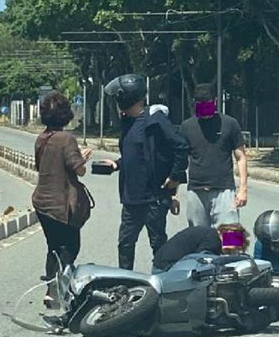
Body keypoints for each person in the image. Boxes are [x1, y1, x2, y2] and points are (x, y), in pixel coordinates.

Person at [101, 74, 189, 271]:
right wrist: (117, 164)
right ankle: (125, 283)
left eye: (119, 96)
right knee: (125, 243)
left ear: (127, 97)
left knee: (158, 245)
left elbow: (181, 147)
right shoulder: (128, 122)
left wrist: (175, 177)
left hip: (154, 198)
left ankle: (161, 284)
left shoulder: (155, 120)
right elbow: (138, 155)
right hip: (131, 199)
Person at [32, 91, 93, 307]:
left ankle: (51, 289)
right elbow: (79, 170)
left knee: (53, 247)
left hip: (41, 202)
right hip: (61, 204)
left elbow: (40, 167)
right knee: (70, 247)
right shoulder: (67, 139)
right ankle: (60, 288)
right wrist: (83, 158)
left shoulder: (41, 138)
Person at [180, 83, 248, 228]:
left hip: (224, 190)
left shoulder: (230, 124)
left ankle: (233, 252)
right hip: (196, 191)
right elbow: (179, 161)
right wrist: (173, 193)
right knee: (198, 240)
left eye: (207, 103)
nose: (204, 106)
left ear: (215, 101)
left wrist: (243, 189)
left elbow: (241, 157)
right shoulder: (186, 127)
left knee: (231, 238)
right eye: (200, 103)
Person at [152, 223, 249, 273]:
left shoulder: (208, 233)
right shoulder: (213, 239)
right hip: (166, 269)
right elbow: (203, 261)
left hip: (160, 264)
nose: (234, 248)